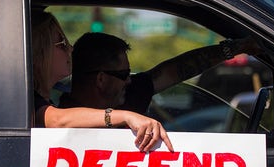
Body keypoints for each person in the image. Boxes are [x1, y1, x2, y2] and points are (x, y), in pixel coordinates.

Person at [31, 11, 173, 153]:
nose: (70, 48)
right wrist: (125, 116)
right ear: (40, 52)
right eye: (61, 43)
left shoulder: (40, 99)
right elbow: (56, 120)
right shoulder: (28, 102)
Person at [59, 32, 261, 115]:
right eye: (123, 74)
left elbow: (176, 69)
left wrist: (234, 48)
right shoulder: (58, 121)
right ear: (101, 79)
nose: (129, 80)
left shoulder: (127, 95)